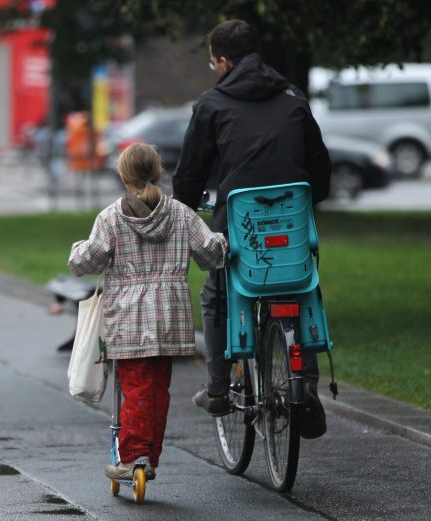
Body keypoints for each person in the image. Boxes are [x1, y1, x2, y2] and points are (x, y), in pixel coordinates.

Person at [172, 19, 332, 439]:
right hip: (291, 227)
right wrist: (304, 201)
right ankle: (308, 386)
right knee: (299, 288)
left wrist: (187, 207)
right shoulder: (293, 97)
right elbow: (319, 166)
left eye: (212, 64)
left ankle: (219, 390)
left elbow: (189, 176)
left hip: (238, 231)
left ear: (223, 61)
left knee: (216, 294)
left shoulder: (211, 106)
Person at [68, 143, 227, 480]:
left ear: (123, 176)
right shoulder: (182, 214)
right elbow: (211, 254)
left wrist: (77, 249)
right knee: (156, 389)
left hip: (128, 317)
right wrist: (225, 240)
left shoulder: (111, 217)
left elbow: (85, 262)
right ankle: (148, 455)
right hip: (171, 316)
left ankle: (134, 457)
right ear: (159, 172)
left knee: (137, 387)